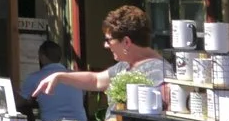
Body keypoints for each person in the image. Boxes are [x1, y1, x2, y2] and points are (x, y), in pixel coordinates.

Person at [32, 6, 169, 104]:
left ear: (126, 42)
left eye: (109, 40)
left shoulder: (158, 72)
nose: (105, 45)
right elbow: (96, 80)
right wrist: (60, 77)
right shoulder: (126, 65)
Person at [21, 39, 88, 121]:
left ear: (42, 57)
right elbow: (81, 98)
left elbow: (20, 102)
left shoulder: (35, 78)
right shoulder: (76, 76)